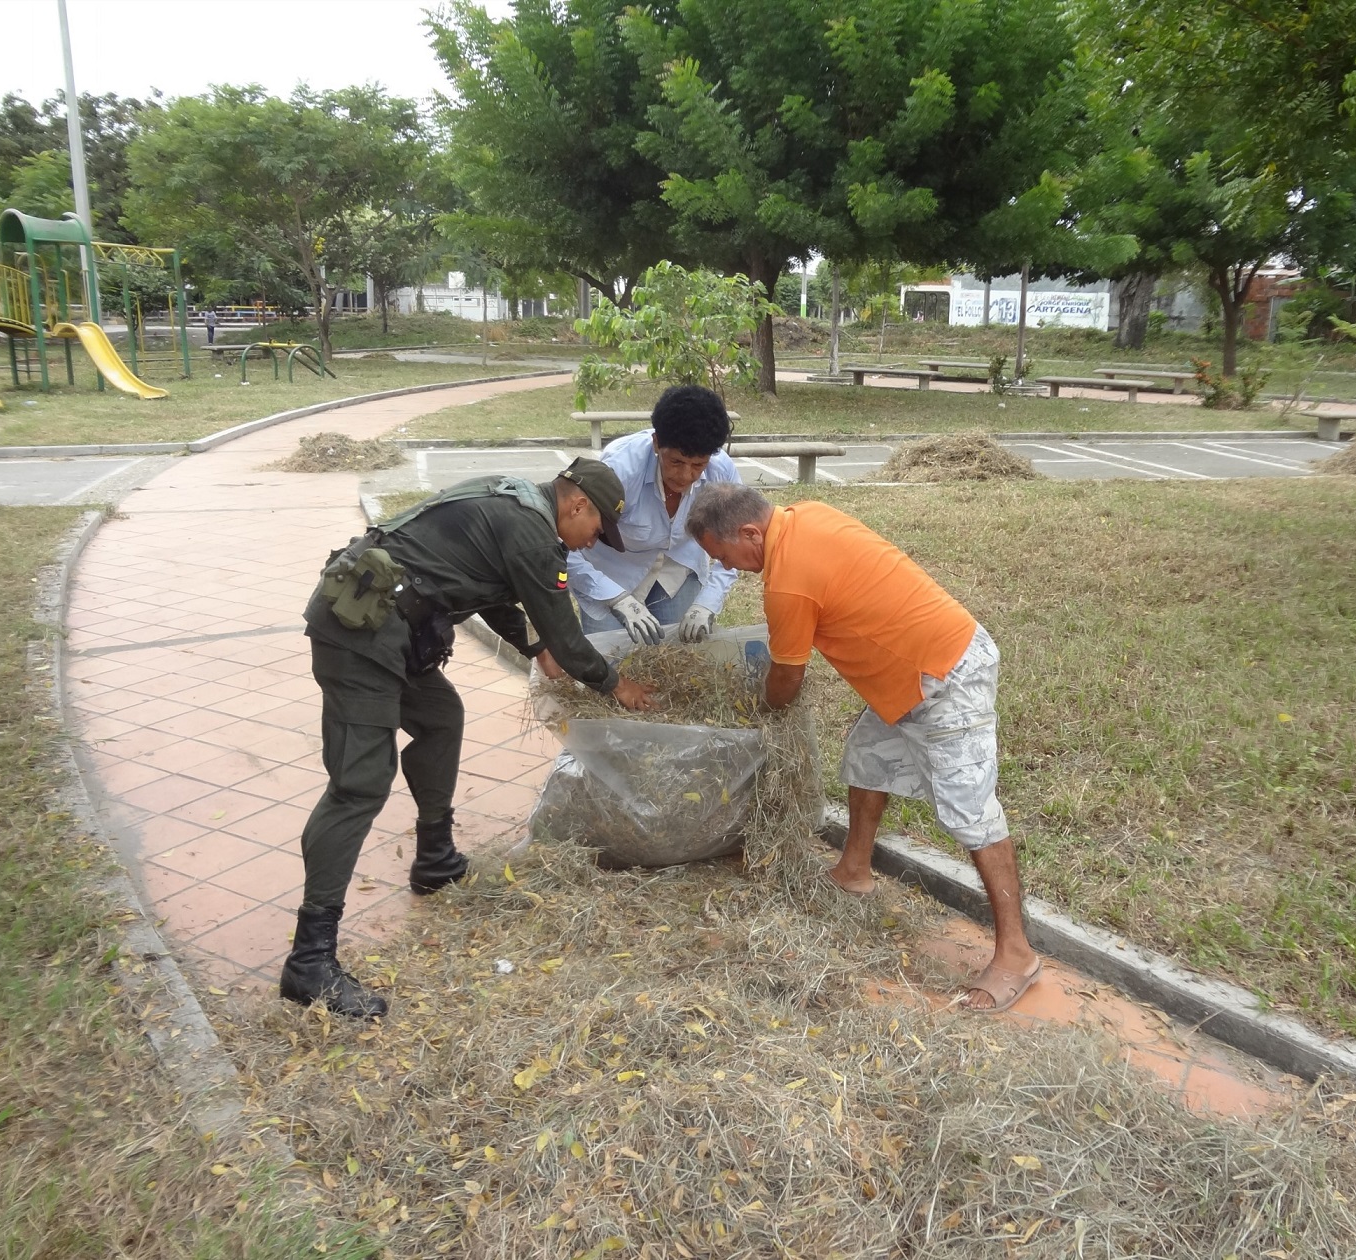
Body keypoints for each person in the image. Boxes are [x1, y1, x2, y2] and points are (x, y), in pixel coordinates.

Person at [282, 458, 655, 1019]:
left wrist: (535, 648)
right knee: (359, 785)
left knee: (441, 716)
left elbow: (494, 594)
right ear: (577, 505)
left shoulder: (514, 500)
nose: (591, 544)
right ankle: (309, 959)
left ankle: (434, 858)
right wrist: (615, 684)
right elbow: (571, 642)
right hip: (360, 632)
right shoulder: (534, 533)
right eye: (597, 530)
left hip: (394, 629)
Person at [687, 483, 1042, 1013]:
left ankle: (1016, 953)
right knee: (866, 760)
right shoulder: (809, 515)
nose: (730, 568)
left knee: (971, 812)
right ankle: (854, 871)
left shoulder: (785, 583)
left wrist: (755, 715)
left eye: (724, 555)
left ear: (749, 533)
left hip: (944, 676)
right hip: (902, 678)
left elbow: (786, 680)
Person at [566, 385, 741, 644]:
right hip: (612, 570)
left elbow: (737, 540)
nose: (685, 476)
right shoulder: (618, 470)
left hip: (678, 568)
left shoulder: (721, 472)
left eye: (698, 465)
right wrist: (615, 598)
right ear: (657, 443)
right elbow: (564, 547)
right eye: (676, 462)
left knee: (677, 656)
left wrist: (707, 602)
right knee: (607, 660)